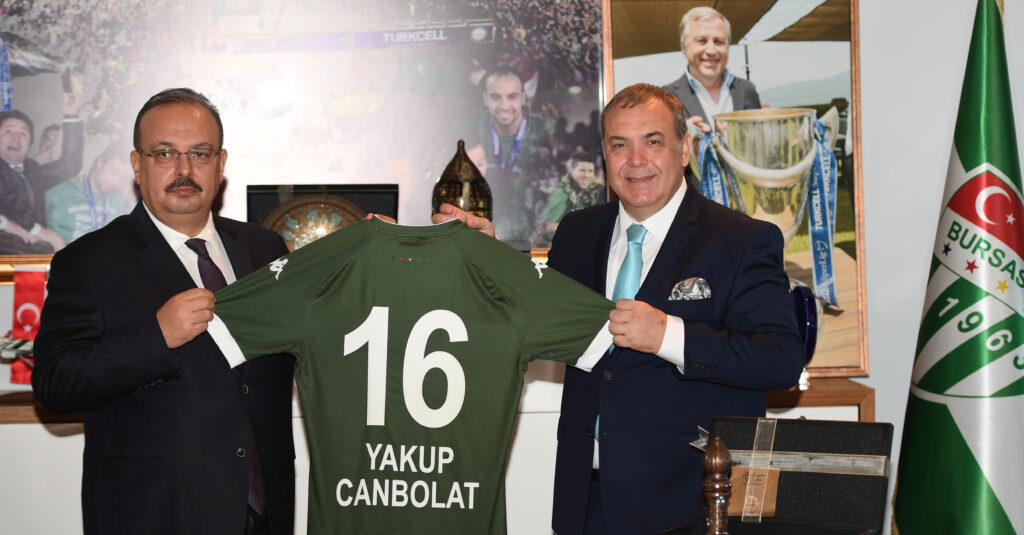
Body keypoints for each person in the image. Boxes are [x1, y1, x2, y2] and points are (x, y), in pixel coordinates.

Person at [436, 83, 803, 533]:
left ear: (684, 149)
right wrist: (489, 257)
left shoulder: (742, 240)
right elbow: (538, 313)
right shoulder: (576, 232)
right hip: (584, 501)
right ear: (605, 155)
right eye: (619, 145)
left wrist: (668, 336)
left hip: (686, 506)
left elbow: (780, 360)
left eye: (653, 141)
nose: (636, 160)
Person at [32, 88, 296, 535]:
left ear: (221, 163)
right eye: (165, 153)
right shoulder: (88, 261)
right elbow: (55, 384)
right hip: (155, 515)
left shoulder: (264, 248)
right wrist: (156, 338)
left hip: (263, 513)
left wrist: (377, 256)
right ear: (137, 165)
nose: (184, 169)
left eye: (200, 153)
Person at [471, 67, 554, 250]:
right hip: (485, 239)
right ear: (485, 99)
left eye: (512, 97)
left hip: (536, 241)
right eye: (495, 97)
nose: (504, 105)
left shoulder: (547, 130)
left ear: (523, 98)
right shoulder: (472, 132)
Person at [0, 98, 85, 253]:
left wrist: (71, 115)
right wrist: (38, 231)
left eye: (23, 133)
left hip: (33, 250)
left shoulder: (32, 170)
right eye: (8, 131)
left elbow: (69, 165)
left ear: (29, 144)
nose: (16, 138)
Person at [663, 6, 761, 135]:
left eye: (719, 41)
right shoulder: (664, 99)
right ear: (684, 48)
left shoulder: (747, 90)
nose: (711, 50)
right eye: (701, 41)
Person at [46, 142, 137, 243]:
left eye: (123, 179)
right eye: (114, 173)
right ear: (100, 162)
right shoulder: (59, 192)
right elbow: (33, 226)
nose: (116, 183)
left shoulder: (120, 197)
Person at [536, 151, 605, 243]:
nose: (586, 175)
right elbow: (545, 229)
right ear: (572, 171)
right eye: (582, 170)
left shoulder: (594, 194)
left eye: (590, 171)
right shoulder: (561, 194)